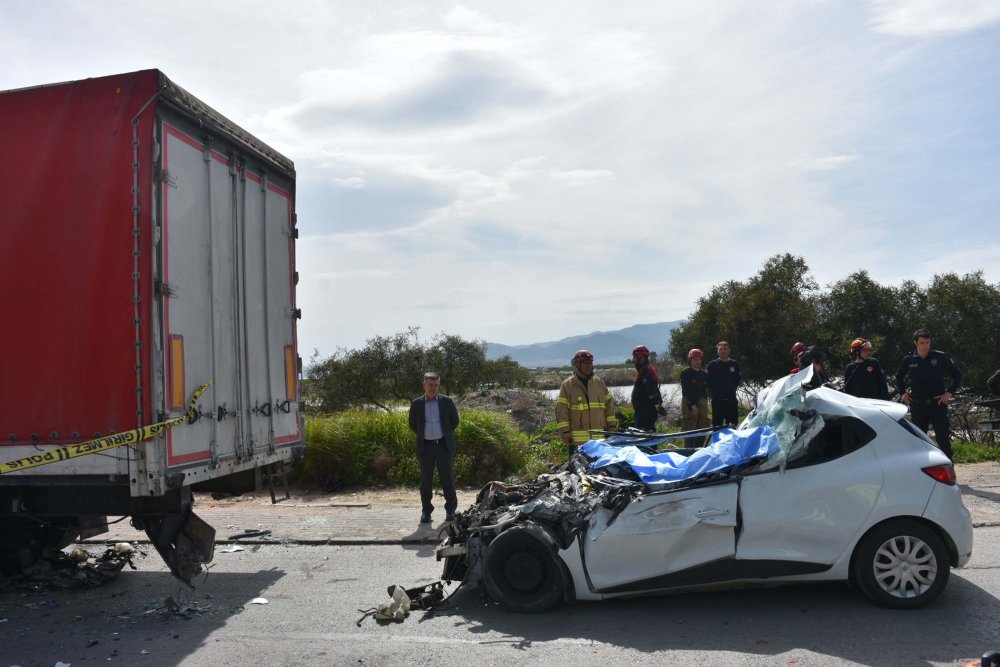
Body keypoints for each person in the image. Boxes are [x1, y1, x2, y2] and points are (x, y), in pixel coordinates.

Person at [895, 329, 962, 459]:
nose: (925, 345)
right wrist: (902, 393)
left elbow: (957, 375)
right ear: (916, 343)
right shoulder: (908, 360)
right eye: (922, 342)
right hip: (918, 405)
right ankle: (923, 473)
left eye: (927, 342)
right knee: (919, 440)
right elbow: (899, 377)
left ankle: (949, 472)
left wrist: (949, 392)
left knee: (942, 439)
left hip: (938, 404)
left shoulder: (939, 357)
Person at [408, 372, 460, 524]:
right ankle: (426, 512)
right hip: (426, 448)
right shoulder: (417, 404)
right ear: (424, 385)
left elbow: (454, 421)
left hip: (444, 446)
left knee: (448, 480)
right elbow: (412, 424)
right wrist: (426, 434)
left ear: (439, 385)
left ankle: (451, 511)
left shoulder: (447, 402)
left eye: (436, 385)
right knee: (426, 482)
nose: (433, 388)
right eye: (430, 385)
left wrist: (442, 433)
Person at [556, 350, 617, 454]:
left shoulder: (599, 383)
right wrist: (565, 432)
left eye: (590, 363)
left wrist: (612, 426)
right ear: (577, 364)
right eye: (585, 363)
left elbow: (609, 408)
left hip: (599, 442)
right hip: (577, 443)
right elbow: (562, 411)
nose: (588, 366)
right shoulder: (568, 385)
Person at [706, 340, 741, 427]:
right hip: (717, 401)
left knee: (732, 426)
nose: (723, 351)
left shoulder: (735, 364)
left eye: (725, 349)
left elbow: (738, 380)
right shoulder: (712, 365)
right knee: (717, 427)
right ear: (717, 351)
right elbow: (707, 381)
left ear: (729, 351)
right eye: (720, 349)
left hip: (731, 400)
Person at [630, 345, 665, 431]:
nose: (633, 360)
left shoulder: (646, 370)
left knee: (644, 438)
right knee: (647, 436)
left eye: (634, 357)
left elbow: (652, 391)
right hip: (643, 410)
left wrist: (658, 406)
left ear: (640, 357)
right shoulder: (645, 369)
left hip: (645, 411)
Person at [680, 348, 710, 439]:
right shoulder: (685, 373)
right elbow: (687, 390)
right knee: (689, 428)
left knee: (703, 426)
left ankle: (700, 448)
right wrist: (693, 404)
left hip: (702, 403)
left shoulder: (704, 374)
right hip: (689, 403)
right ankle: (688, 449)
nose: (698, 362)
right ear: (690, 360)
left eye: (700, 359)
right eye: (695, 359)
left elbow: (707, 389)